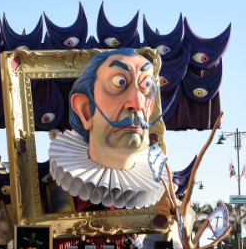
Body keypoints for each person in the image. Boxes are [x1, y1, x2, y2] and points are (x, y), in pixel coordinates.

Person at [55, 49, 166, 208]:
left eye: (146, 84)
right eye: (120, 82)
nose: (138, 104)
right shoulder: (66, 190)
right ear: (86, 109)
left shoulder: (161, 198)